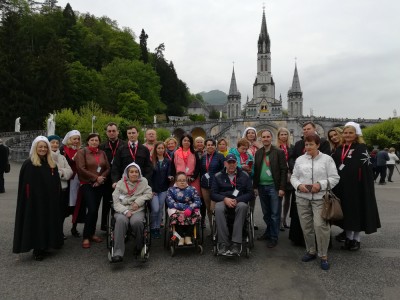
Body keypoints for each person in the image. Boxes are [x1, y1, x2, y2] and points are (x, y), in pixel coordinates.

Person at [291, 133, 340, 270]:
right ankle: (311, 250)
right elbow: (294, 177)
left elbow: (335, 178)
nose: (308, 147)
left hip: (320, 199)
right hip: (302, 198)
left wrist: (320, 184)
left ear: (318, 145)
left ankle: (323, 255)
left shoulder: (327, 159)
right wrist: (298, 185)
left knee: (320, 226)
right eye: (306, 144)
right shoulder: (300, 159)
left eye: (311, 144)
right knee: (306, 227)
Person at [332, 122, 381, 251]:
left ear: (356, 135)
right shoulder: (339, 148)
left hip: (357, 188)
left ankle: (356, 240)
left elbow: (365, 169)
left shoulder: (361, 148)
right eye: (345, 133)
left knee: (357, 213)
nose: (347, 135)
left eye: (350, 133)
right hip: (342, 187)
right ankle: (348, 238)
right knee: (347, 213)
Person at [13, 136, 63, 261]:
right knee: (37, 222)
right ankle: (37, 248)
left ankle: (47, 244)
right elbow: (26, 185)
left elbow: (56, 182)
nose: (43, 149)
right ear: (35, 148)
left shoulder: (51, 163)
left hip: (49, 200)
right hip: (35, 201)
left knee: (48, 221)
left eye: (45, 147)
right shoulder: (29, 164)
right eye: (40, 147)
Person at [288, 121, 330, 246]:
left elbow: (326, 160)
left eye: (308, 129)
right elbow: (292, 157)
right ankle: (300, 240)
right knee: (303, 217)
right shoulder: (298, 143)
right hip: (301, 184)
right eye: (304, 129)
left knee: (319, 220)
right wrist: (294, 166)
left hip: (317, 185)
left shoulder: (323, 142)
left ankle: (320, 245)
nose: (306, 131)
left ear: (314, 128)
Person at [211, 154, 254, 256]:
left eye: (233, 162)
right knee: (218, 208)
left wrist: (238, 200)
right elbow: (213, 194)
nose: (231, 165)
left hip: (239, 201)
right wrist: (224, 199)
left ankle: (236, 242)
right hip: (224, 200)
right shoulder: (218, 176)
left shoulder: (244, 175)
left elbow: (250, 193)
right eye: (229, 163)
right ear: (225, 164)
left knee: (243, 206)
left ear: (236, 163)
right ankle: (223, 242)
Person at [111, 162, 152, 263]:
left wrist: (138, 202)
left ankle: (139, 247)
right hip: (121, 210)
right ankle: (118, 253)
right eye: (131, 172)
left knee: (137, 222)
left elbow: (149, 193)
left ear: (139, 173)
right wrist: (125, 211)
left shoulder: (143, 181)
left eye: (136, 172)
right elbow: (115, 201)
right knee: (121, 221)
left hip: (137, 209)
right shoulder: (120, 183)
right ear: (127, 173)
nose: (134, 174)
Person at [253, 129, 287, 248]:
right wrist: (255, 186)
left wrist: (282, 187)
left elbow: (284, 170)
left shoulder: (279, 152)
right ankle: (268, 232)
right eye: (264, 137)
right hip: (262, 186)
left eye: (268, 136)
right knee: (266, 213)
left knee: (275, 214)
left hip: (274, 186)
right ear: (260, 139)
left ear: (271, 138)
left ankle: (273, 237)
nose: (266, 139)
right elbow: (256, 170)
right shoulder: (258, 152)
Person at [75, 133, 110, 249]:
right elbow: (81, 168)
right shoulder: (82, 152)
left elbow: (107, 168)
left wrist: (101, 179)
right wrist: (95, 178)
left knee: (95, 210)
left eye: (96, 140)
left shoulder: (102, 153)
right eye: (92, 140)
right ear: (88, 141)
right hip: (87, 184)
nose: (94, 142)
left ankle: (92, 233)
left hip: (99, 184)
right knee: (92, 209)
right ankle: (86, 236)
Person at [99, 122, 126, 231]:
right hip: (106, 178)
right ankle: (105, 225)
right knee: (106, 202)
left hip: (121, 178)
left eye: (114, 131)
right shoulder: (102, 147)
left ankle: (119, 225)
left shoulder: (124, 145)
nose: (112, 133)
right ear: (106, 133)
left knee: (121, 201)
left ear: (118, 132)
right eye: (109, 131)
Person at [166, 172, 202, 246]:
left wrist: (190, 208)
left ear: (187, 181)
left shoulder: (192, 189)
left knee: (195, 215)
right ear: (176, 181)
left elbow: (198, 201)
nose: (182, 182)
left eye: (184, 180)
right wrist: (185, 208)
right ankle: (181, 237)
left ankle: (188, 236)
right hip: (177, 209)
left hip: (190, 209)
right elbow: (170, 203)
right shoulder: (171, 190)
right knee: (177, 215)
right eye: (180, 180)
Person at [48, 135, 73, 240]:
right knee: (51, 214)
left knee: (61, 213)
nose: (55, 145)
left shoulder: (62, 157)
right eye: (52, 142)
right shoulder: (46, 157)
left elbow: (70, 172)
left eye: (57, 143)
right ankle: (51, 234)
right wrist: (62, 171)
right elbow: (49, 174)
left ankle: (59, 232)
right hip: (51, 191)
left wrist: (60, 173)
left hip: (63, 189)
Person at [60, 130, 82, 238]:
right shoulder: (63, 150)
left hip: (78, 181)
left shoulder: (80, 150)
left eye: (78, 139)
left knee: (76, 205)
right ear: (69, 139)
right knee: (64, 206)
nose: (76, 141)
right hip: (67, 181)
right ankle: (60, 230)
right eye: (74, 139)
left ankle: (74, 227)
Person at [200, 138, 225, 229]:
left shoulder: (220, 156)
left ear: (215, 146)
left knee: (213, 208)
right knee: (208, 208)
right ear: (206, 147)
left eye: (212, 145)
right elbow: (202, 171)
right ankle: (212, 229)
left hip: (216, 186)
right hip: (205, 186)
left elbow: (224, 171)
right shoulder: (203, 157)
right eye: (208, 145)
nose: (210, 146)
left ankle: (218, 229)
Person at [151, 141, 173, 238]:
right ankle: (152, 226)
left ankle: (157, 228)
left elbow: (169, 173)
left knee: (160, 209)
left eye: (162, 148)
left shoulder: (167, 161)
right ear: (156, 149)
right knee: (155, 209)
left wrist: (170, 177)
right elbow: (149, 176)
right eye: (158, 148)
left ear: (164, 149)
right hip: (154, 189)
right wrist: (151, 189)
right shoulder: (151, 161)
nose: (160, 150)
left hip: (164, 189)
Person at [276, 127, 294, 231]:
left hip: (290, 175)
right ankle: (278, 221)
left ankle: (284, 219)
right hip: (279, 176)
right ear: (278, 136)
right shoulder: (275, 147)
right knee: (278, 199)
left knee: (288, 199)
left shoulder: (292, 147)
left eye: (285, 134)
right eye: (281, 134)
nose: (283, 136)